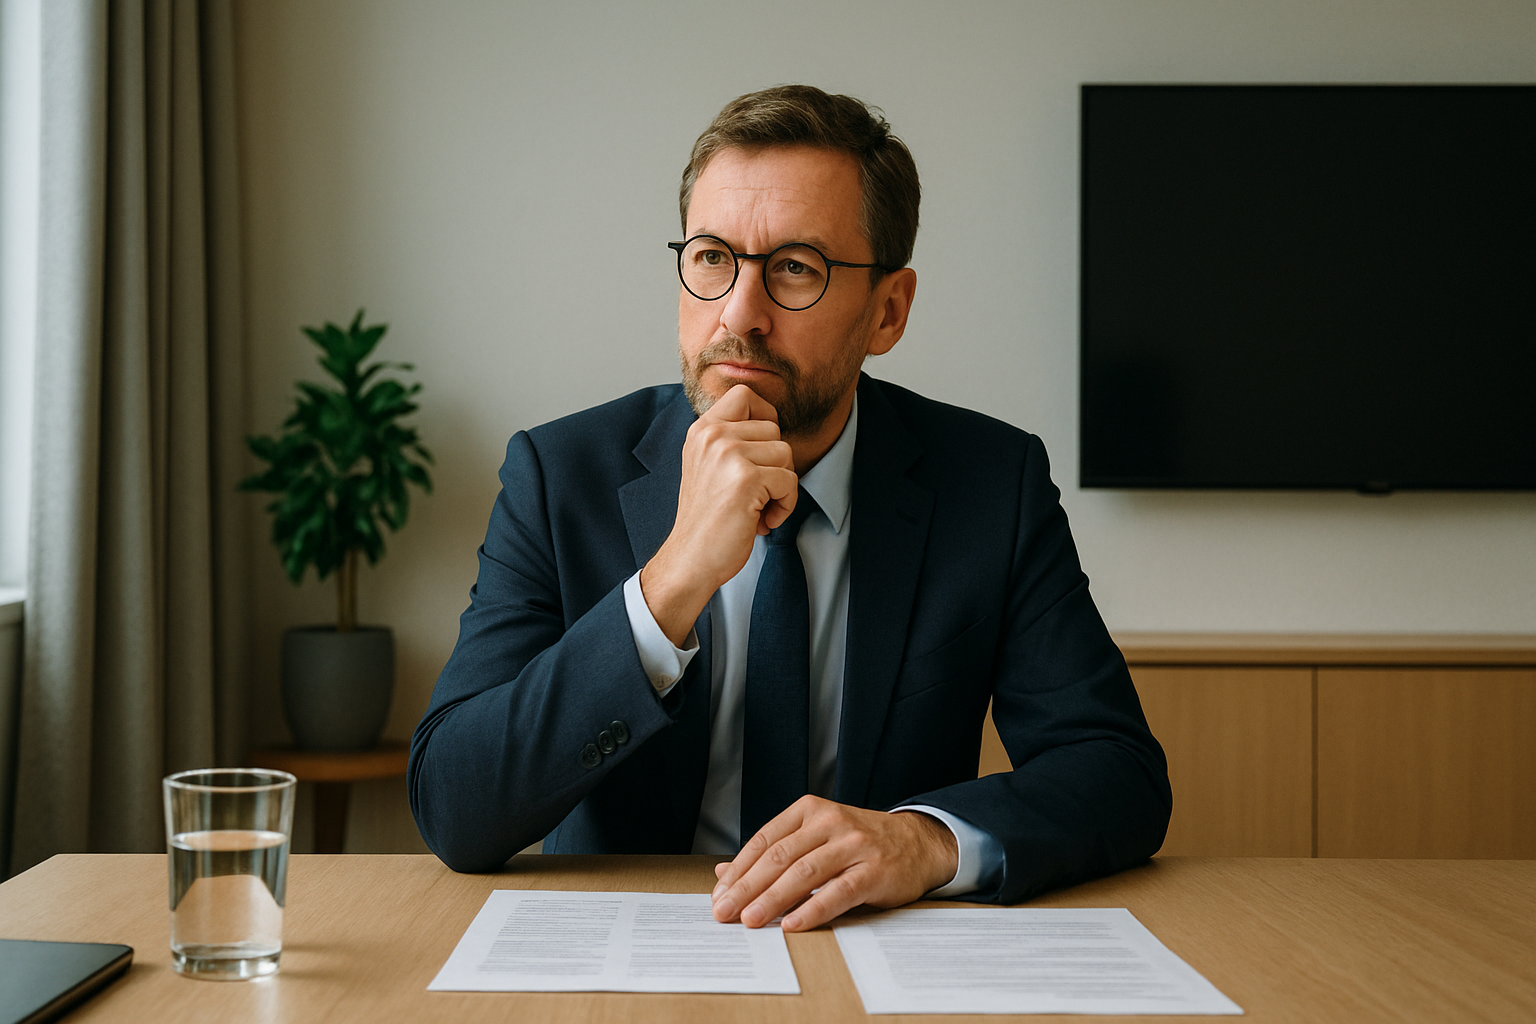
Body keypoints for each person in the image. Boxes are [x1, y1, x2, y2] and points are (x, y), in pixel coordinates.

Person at [408, 85, 1171, 933]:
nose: (740, 314)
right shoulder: (559, 478)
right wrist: (671, 583)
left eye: (795, 269)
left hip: (877, 944)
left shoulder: (992, 483)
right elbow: (454, 803)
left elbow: (1117, 772)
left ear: (889, 310)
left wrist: (924, 843)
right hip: (631, 947)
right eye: (711, 258)